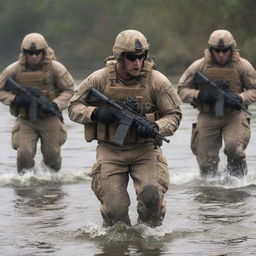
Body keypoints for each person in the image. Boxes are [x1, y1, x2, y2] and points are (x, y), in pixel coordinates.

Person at [68, 29, 182, 227]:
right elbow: (73, 107)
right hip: (110, 150)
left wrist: (156, 126)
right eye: (131, 58)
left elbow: (174, 115)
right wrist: (96, 113)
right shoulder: (98, 79)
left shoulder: (157, 81)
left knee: (152, 200)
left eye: (141, 57)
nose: (138, 63)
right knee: (115, 212)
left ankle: (147, 239)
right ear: (120, 57)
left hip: (145, 150)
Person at [178, 29, 256, 178]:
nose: (221, 54)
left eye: (225, 51)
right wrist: (200, 95)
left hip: (233, 116)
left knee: (234, 149)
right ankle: (212, 191)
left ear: (231, 49)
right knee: (206, 162)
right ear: (210, 49)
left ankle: (237, 182)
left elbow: (254, 90)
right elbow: (181, 90)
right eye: (217, 51)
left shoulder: (242, 66)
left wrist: (240, 98)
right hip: (208, 116)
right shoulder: (199, 66)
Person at [0, 33, 74, 174]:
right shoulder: (14, 69)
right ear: (24, 53)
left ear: (43, 52)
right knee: (24, 153)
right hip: (26, 119)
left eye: (37, 53)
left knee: (52, 154)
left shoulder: (56, 68)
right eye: (30, 53)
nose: (34, 56)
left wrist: (55, 104)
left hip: (49, 117)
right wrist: (15, 99)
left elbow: (70, 91)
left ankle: (52, 184)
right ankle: (25, 183)